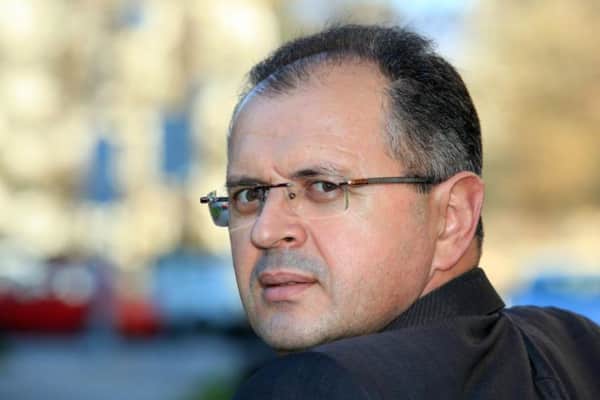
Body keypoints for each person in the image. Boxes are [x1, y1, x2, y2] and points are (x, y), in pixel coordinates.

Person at [200, 24, 600, 399]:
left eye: (324, 187)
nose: (265, 231)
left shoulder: (315, 385)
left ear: (452, 217)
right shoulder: (573, 348)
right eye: (249, 195)